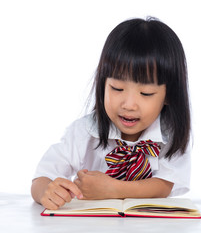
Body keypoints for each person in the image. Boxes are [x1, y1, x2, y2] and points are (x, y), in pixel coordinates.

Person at [31, 17, 192, 210]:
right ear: (103, 84)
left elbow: (164, 186)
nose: (129, 105)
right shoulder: (85, 131)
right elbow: (41, 178)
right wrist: (47, 192)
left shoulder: (171, 135)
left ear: (169, 94)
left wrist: (113, 188)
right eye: (116, 88)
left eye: (146, 93)